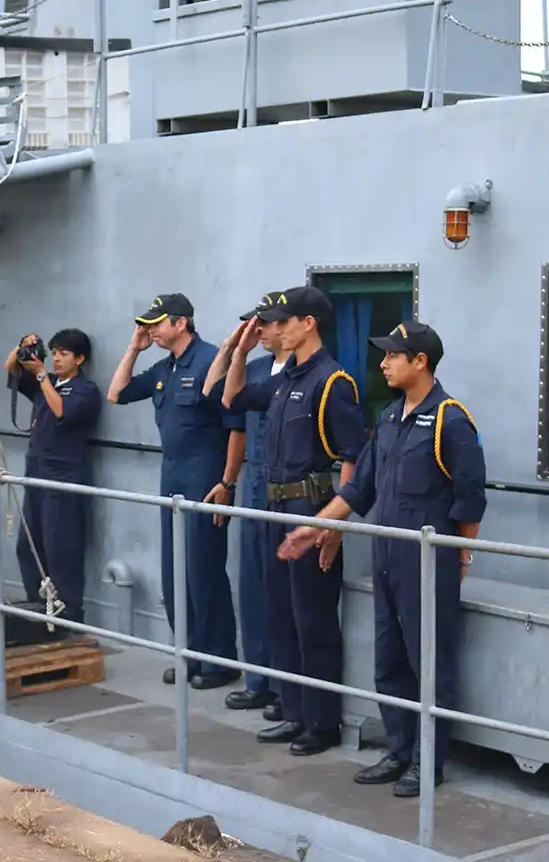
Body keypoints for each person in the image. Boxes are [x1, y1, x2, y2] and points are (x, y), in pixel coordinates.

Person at [278, 321, 485, 797]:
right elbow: (358, 488)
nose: (383, 363)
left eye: (394, 355)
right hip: (387, 556)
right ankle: (398, 748)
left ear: (421, 362)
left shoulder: (451, 421)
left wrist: (461, 555)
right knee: (389, 659)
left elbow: (470, 498)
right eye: (385, 355)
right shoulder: (391, 418)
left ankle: (426, 762)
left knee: (429, 662)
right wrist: (316, 527)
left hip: (426, 561)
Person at [221, 285, 366, 755]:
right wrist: (240, 351)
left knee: (313, 619)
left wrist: (332, 527)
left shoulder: (333, 381)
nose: (275, 329)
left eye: (284, 322)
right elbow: (234, 397)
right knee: (279, 612)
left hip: (310, 505)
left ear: (309, 324)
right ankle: (291, 708)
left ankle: (321, 723)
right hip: (275, 506)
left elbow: (353, 459)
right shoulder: (286, 380)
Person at [109, 294, 242, 689]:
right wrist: (134, 349)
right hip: (172, 482)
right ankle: (188, 652)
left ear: (181, 323)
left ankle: (218, 661)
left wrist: (227, 482)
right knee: (175, 574)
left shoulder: (210, 362)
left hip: (205, 480)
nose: (150, 330)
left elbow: (236, 426)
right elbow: (117, 393)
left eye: (156, 323)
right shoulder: (166, 367)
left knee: (204, 572)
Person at [203, 291, 289, 716]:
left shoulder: (301, 373)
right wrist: (231, 349)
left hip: (288, 484)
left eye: (264, 324)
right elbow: (214, 394)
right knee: (251, 584)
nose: (258, 332)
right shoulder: (252, 370)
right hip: (254, 480)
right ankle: (258, 679)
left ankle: (285, 687)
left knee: (283, 590)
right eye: (252, 324)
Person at [3, 329, 102, 623]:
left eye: (64, 354)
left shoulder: (85, 391)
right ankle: (39, 610)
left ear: (80, 359)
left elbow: (61, 411)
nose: (57, 359)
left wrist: (42, 376)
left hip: (63, 478)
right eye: (54, 352)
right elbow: (10, 368)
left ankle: (69, 615)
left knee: (61, 548)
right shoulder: (44, 383)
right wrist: (21, 347)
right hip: (36, 473)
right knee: (28, 546)